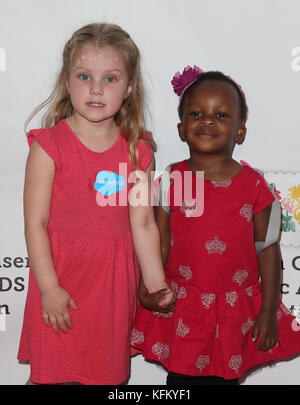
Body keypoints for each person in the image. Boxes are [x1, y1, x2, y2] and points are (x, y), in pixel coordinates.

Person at [17, 23, 175, 385]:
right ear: (67, 80)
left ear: (129, 87)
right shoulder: (49, 145)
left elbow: (144, 224)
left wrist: (154, 282)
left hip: (111, 287)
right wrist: (50, 289)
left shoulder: (137, 149)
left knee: (106, 377)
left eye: (110, 79)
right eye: (85, 76)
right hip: (60, 278)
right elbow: (35, 224)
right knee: (48, 376)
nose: (96, 89)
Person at [131, 66, 300, 385]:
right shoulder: (172, 181)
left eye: (221, 115)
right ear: (182, 129)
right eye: (197, 113)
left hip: (234, 311)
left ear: (240, 132)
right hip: (183, 309)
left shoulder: (254, 185)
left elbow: (268, 249)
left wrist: (268, 311)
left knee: (225, 379)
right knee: (180, 382)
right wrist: (149, 287)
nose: (208, 120)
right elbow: (158, 241)